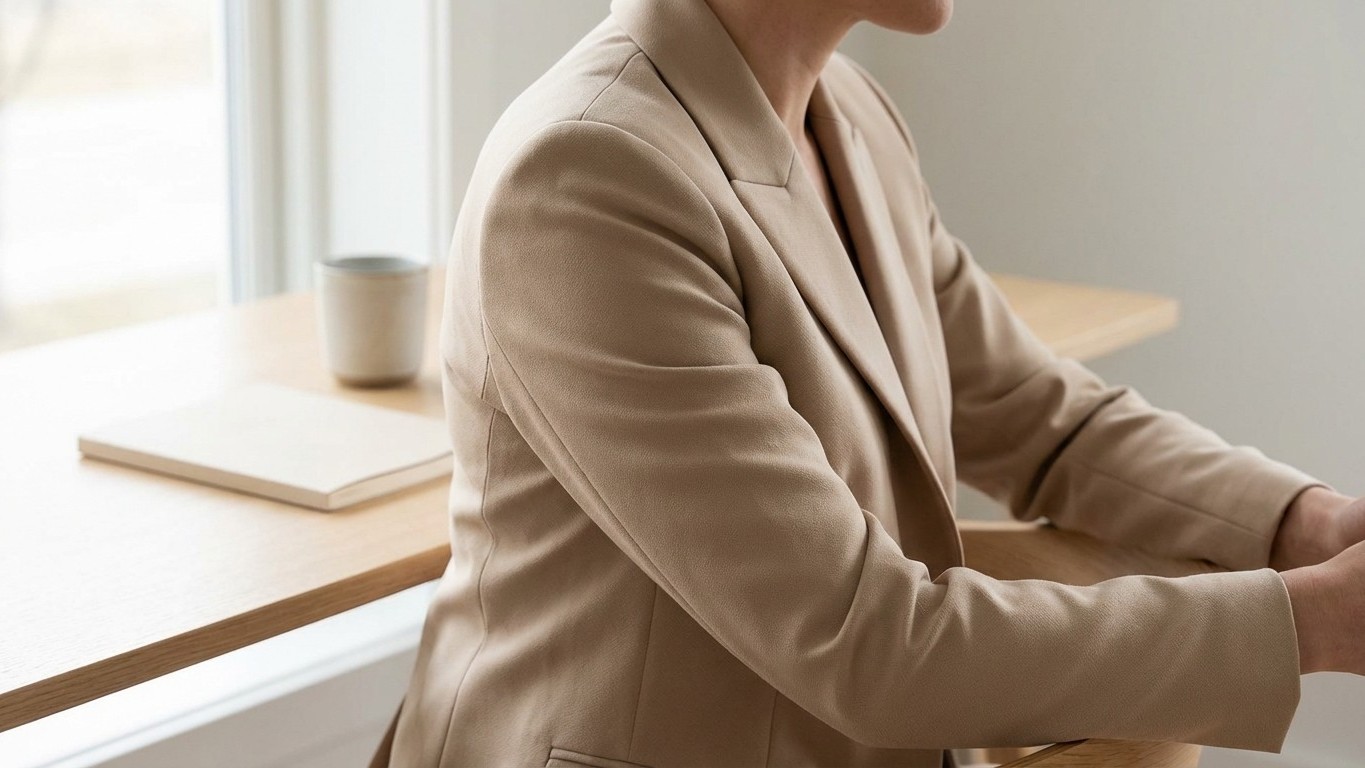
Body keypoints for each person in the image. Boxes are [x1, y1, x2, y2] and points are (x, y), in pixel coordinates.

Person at [376, 0, 1365, 765]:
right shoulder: (587, 176)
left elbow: (1039, 419)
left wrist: (1311, 526)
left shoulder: (848, 116)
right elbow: (865, 640)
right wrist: (1314, 618)